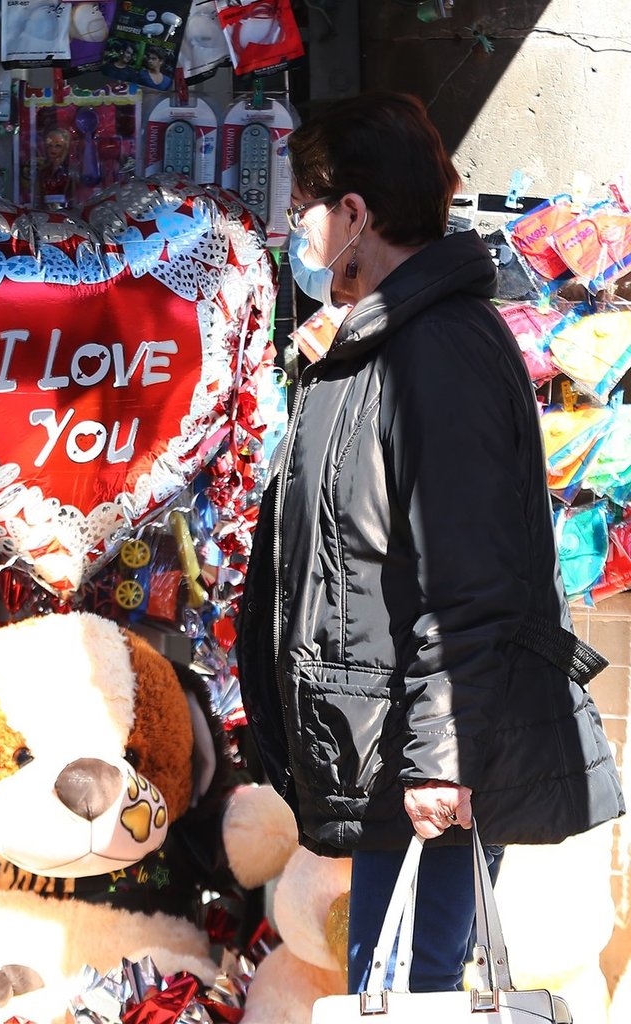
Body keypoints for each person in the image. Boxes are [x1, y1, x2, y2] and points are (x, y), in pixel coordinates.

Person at [236, 91, 624, 996]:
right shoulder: (377, 344)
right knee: (395, 986)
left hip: (427, 762)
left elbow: (470, 577)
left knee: (410, 991)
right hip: (389, 752)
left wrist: (442, 758)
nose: (298, 233)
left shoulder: (436, 351)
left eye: (305, 210)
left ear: (354, 213)